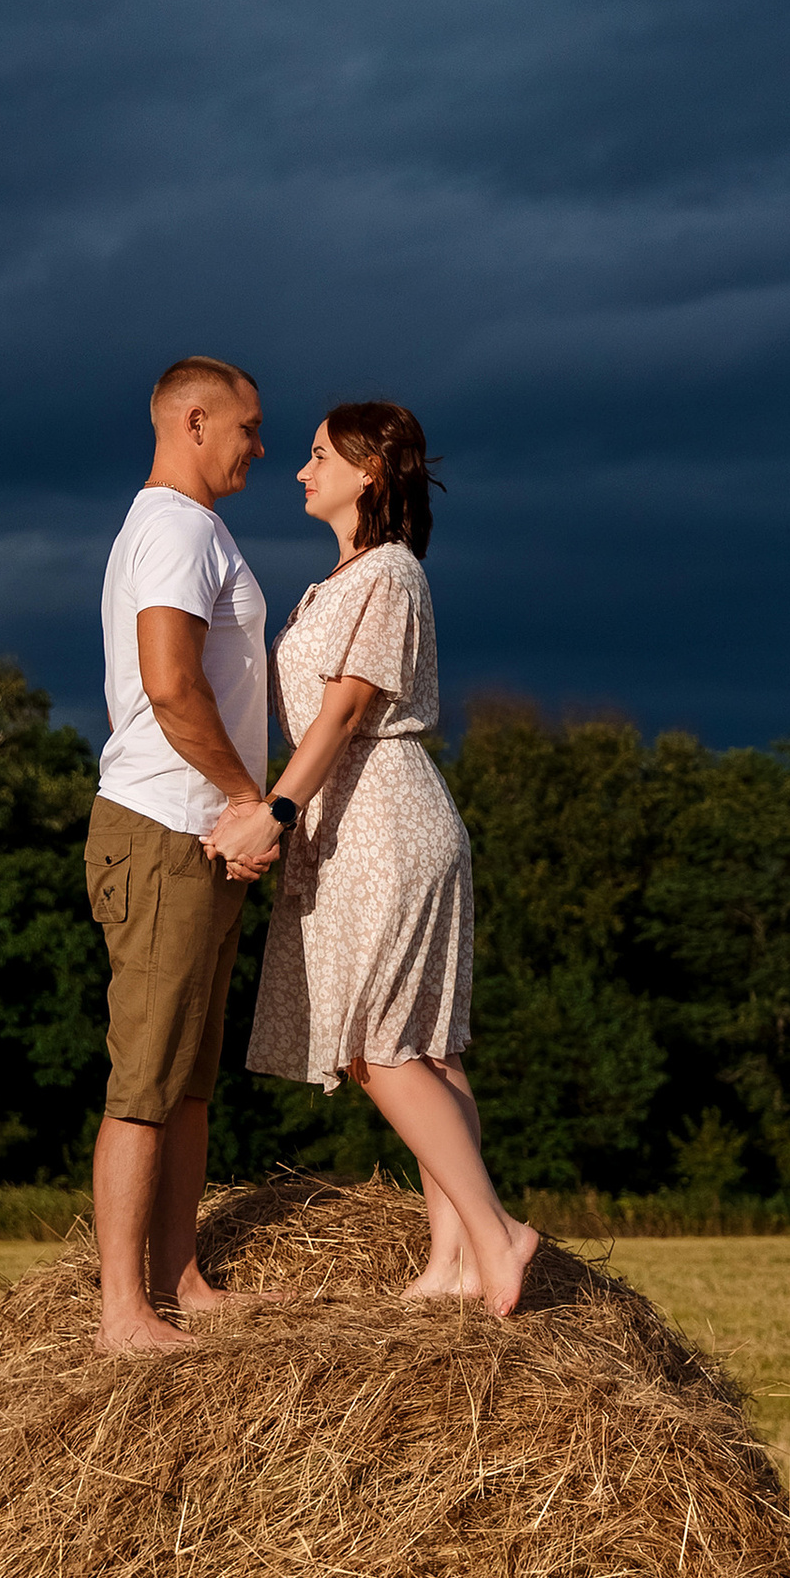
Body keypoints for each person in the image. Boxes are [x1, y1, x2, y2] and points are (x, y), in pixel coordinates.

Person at [216, 399, 539, 1318]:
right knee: (425, 1046)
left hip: (385, 817)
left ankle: (496, 1235)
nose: (298, 468)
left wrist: (278, 808)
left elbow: (347, 710)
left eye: (317, 454)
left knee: (379, 1039)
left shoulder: (389, 573)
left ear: (369, 470)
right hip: (353, 823)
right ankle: (452, 1262)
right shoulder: (343, 579)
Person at [87, 356, 274, 1354]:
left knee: (189, 1079)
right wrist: (252, 798)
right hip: (165, 827)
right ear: (196, 421)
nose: (259, 446)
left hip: (191, 835)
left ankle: (182, 1281)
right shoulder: (173, 527)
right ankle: (124, 1311)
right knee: (147, 1078)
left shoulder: (187, 527)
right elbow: (169, 682)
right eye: (248, 427)